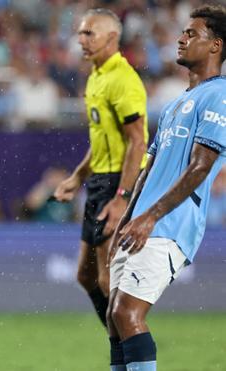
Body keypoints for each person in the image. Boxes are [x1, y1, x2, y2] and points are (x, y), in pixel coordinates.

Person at [106, 5, 226, 370]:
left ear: (215, 46)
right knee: (114, 319)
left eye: (192, 34)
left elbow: (201, 167)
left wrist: (150, 218)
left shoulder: (218, 96)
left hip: (170, 225)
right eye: (183, 32)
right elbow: (149, 170)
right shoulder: (176, 103)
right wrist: (126, 219)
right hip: (142, 222)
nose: (181, 38)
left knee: (128, 314)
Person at [53, 8, 148, 329]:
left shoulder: (123, 80)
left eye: (88, 33)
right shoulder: (96, 76)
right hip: (100, 180)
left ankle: (129, 351)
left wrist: (122, 196)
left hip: (120, 181)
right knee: (86, 275)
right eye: (80, 33)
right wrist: (78, 177)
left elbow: (137, 142)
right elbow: (102, 138)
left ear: (111, 38)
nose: (81, 39)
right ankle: (120, 343)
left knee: (109, 278)